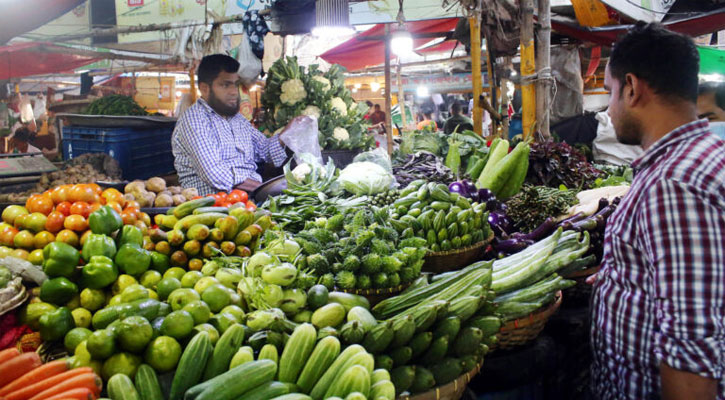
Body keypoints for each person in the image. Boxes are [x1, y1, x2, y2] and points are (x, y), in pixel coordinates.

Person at [589, 23, 725, 400]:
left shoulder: (674, 184)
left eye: (610, 92)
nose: (610, 109)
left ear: (631, 88)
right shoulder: (701, 156)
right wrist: (623, 277)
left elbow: (691, 344)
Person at [172, 54, 293, 195]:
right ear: (205, 88)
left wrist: (289, 131)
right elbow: (217, 176)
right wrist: (267, 189)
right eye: (225, 85)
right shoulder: (195, 120)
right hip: (215, 207)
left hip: (248, 201)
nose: (234, 92)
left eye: (235, 84)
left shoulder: (237, 120)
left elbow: (265, 150)